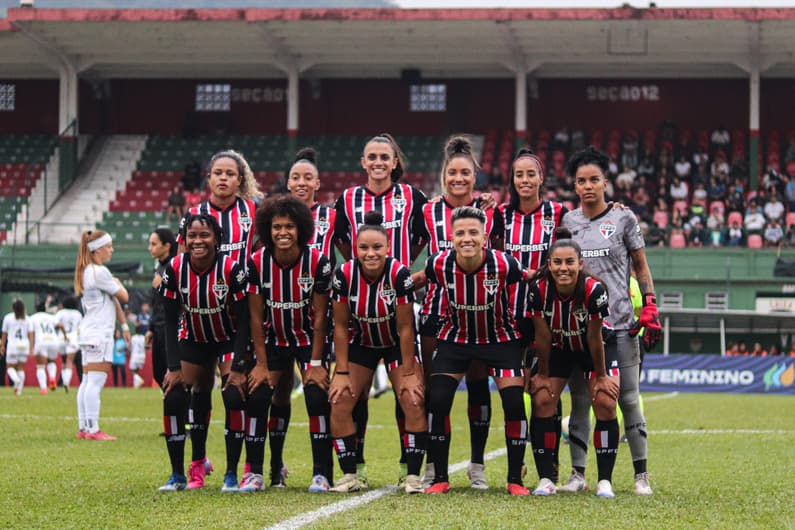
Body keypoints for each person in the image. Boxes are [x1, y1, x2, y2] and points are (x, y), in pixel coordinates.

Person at [560, 146, 661, 496]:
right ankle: (577, 474)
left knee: (628, 399)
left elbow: (642, 266)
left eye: (594, 180)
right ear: (575, 186)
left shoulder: (624, 219)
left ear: (606, 183)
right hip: (579, 328)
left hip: (619, 325)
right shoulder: (568, 223)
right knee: (580, 401)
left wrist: (650, 304)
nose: (588, 186)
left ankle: (641, 475)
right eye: (581, 181)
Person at [334, 134, 427, 485]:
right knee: (350, 398)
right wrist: (361, 267)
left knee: (410, 395)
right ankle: (353, 469)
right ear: (362, 161)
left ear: (394, 162)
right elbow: (341, 240)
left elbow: (423, 236)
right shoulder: (347, 199)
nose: (377, 162)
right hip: (360, 312)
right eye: (371, 156)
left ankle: (410, 470)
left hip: (398, 302)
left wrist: (404, 270)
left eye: (384, 157)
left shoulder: (412, 197)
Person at [420, 206, 530, 496]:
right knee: (439, 400)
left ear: (485, 238)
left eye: (472, 233)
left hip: (500, 340)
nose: (466, 238)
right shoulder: (440, 263)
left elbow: (535, 278)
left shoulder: (505, 264)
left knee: (515, 403)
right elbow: (415, 279)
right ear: (451, 237)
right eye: (460, 233)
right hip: (455, 339)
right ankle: (440, 477)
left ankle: (514, 480)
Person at [416, 136, 503, 489]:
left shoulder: (489, 210)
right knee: (436, 393)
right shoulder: (427, 211)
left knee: (479, 387)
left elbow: (498, 256)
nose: (458, 179)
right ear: (443, 175)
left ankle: (477, 466)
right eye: (452, 173)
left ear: (475, 175)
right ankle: (433, 467)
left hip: (479, 313)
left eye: (465, 173)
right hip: (437, 313)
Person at [177, 149, 262, 492]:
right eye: (218, 173)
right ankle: (198, 463)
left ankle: (237, 469)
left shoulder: (253, 209)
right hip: (199, 316)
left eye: (230, 173)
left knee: (234, 391)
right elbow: (183, 259)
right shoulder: (194, 214)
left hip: (236, 317)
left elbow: (264, 247)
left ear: (240, 179)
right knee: (195, 389)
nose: (224, 178)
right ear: (209, 178)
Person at [246, 196, 334, 492]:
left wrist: (318, 365)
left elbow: (321, 316)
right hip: (273, 340)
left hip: (309, 340)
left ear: (301, 229)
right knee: (259, 396)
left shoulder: (317, 261)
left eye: (289, 227)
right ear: (267, 230)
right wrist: (260, 364)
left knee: (316, 396)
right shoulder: (257, 262)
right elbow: (256, 318)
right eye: (276, 227)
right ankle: (259, 471)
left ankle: (321, 473)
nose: (283, 232)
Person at [157, 213, 250, 492]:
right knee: (173, 396)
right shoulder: (174, 268)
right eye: (192, 236)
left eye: (204, 235)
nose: (198, 241)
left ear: (217, 239)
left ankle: (231, 474)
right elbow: (170, 320)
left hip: (227, 339)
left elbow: (245, 320)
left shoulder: (232, 269)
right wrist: (173, 367)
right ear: (184, 240)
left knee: (233, 393)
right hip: (194, 339)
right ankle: (180, 473)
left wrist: (239, 365)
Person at [527, 230, 621, 498]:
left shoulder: (593, 290)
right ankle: (546, 478)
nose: (563, 268)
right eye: (557, 262)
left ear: (580, 264)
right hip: (559, 347)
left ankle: (605, 480)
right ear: (549, 264)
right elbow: (542, 336)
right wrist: (543, 374)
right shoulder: (539, 290)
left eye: (569, 262)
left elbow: (594, 337)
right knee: (543, 398)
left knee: (605, 400)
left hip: (595, 348)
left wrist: (602, 376)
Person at [498, 147, 568, 481]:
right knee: (514, 396)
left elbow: (570, 253)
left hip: (548, 318)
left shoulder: (558, 213)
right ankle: (517, 464)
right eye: (518, 174)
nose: (525, 180)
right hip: (509, 319)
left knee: (546, 393)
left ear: (541, 178)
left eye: (530, 174)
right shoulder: (500, 215)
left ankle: (549, 465)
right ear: (512, 180)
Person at [74, 230, 130, 441]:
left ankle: (84, 426)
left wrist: (124, 326)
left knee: (87, 380)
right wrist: (118, 281)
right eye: (108, 246)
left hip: (89, 331)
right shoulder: (100, 272)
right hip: (100, 333)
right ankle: (93, 428)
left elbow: (113, 300)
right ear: (97, 250)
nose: (111, 250)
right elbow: (123, 296)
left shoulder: (87, 271)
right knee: (95, 382)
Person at [147, 228, 178, 389]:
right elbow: (155, 301)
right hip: (159, 326)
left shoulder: (176, 266)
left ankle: (182, 411)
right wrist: (151, 328)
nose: (149, 248)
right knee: (159, 374)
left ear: (166, 246)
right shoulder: (159, 268)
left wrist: (164, 285)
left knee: (172, 373)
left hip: (171, 326)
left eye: (153, 244)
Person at [1, 299, 34, 395]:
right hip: (24, 346)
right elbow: (31, 334)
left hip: (12, 346)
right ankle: (19, 391)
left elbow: (4, 334)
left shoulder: (8, 318)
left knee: (10, 367)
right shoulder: (27, 319)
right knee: (21, 368)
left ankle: (15, 380)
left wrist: (2, 345)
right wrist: (31, 348)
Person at [29, 301, 61, 394]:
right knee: (51, 361)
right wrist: (65, 336)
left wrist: (31, 347)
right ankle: (52, 377)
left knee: (40, 366)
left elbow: (31, 333)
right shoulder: (51, 317)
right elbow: (60, 325)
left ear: (36, 309)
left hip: (41, 341)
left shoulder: (32, 318)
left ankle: (43, 389)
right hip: (53, 341)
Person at [55, 297, 83, 389]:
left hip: (61, 338)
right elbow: (81, 328)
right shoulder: (78, 314)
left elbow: (55, 323)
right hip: (73, 338)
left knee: (64, 361)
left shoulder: (61, 313)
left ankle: (63, 381)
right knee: (69, 361)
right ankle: (66, 382)